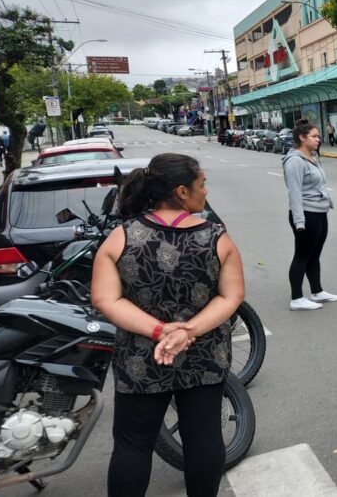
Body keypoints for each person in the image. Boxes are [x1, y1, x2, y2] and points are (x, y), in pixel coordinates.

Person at [91, 153, 244, 497]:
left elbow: (106, 300)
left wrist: (160, 331)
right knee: (203, 437)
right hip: (204, 354)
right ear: (181, 192)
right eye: (201, 183)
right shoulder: (217, 238)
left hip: (140, 359)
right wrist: (188, 330)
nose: (205, 190)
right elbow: (230, 297)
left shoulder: (121, 237)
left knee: (133, 445)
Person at [282, 119, 337, 311]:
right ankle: (296, 298)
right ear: (302, 137)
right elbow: (295, 193)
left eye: (318, 136)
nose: (318, 139)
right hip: (306, 214)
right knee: (302, 255)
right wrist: (300, 222)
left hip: (319, 211)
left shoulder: (312, 157)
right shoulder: (294, 161)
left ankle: (317, 291)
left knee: (315, 254)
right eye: (314, 136)